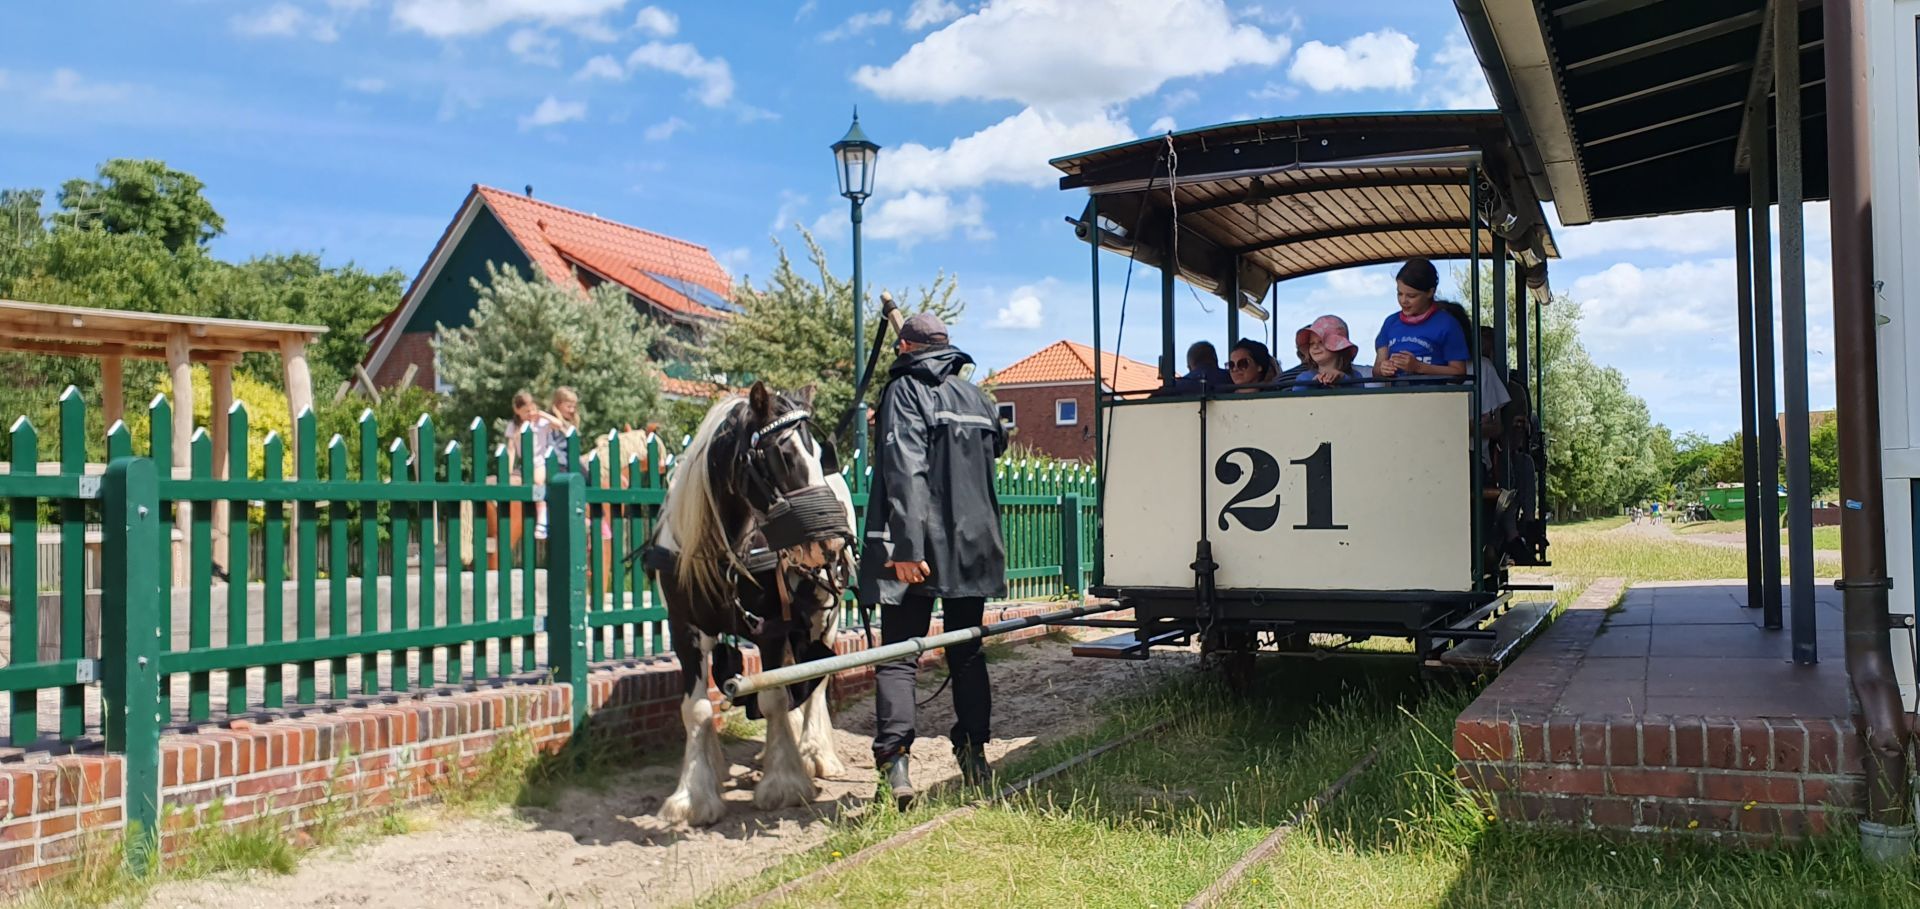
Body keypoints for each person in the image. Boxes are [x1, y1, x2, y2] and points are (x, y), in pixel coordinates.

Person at [861, 312, 1008, 807]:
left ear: (904, 348)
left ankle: (896, 767)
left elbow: (905, 466)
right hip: (973, 546)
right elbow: (998, 447)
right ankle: (974, 757)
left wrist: (905, 547)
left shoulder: (904, 390)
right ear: (946, 347)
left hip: (919, 548)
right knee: (966, 652)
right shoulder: (978, 397)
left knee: (899, 655)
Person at [1374, 258, 1469, 380]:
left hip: (1436, 396)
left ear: (1430, 292)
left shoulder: (1447, 324)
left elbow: (1459, 372)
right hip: (1396, 396)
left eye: (1411, 296)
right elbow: (1376, 369)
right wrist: (1383, 369)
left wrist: (1418, 367)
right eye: (1399, 294)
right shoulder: (1390, 323)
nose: (1403, 301)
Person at [1292, 315, 1372, 387]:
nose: (1315, 346)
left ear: (1339, 346)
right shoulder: (1304, 378)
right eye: (1311, 343)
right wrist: (1314, 385)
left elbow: (1358, 396)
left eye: (1321, 342)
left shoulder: (1355, 376)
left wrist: (1343, 379)